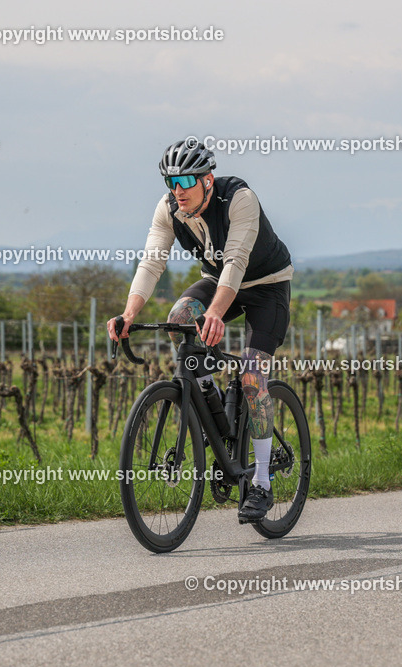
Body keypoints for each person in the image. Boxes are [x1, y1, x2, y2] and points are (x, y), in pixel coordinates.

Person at [107, 139, 294, 521]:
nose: (178, 190)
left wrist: (216, 313)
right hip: (217, 280)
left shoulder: (240, 199)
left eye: (187, 180)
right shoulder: (170, 208)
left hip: (266, 286)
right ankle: (206, 391)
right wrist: (127, 314)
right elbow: (151, 262)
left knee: (253, 375)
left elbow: (237, 261)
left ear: (208, 179)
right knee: (178, 317)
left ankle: (261, 481)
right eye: (171, 181)